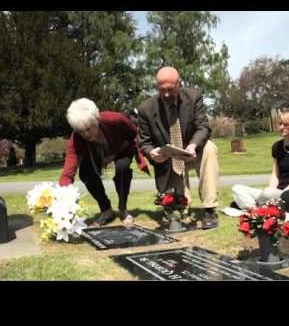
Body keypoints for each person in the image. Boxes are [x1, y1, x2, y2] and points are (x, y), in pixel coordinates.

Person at [137, 66, 220, 229]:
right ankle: (178, 205)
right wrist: (151, 153)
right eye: (162, 90)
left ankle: (209, 209)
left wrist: (193, 145)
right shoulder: (145, 109)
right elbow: (144, 142)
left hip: (193, 151)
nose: (166, 94)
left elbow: (203, 127)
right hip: (169, 159)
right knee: (179, 212)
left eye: (170, 89)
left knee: (210, 148)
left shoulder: (194, 96)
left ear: (179, 84)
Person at [59, 98, 149, 226]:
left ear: (97, 119)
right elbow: (69, 170)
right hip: (96, 154)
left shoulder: (116, 119)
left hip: (122, 149)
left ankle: (123, 209)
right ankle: (106, 210)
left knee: (122, 169)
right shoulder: (77, 138)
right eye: (81, 131)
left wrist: (142, 155)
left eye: (89, 129)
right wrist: (62, 193)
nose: (86, 134)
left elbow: (135, 133)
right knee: (85, 173)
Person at [231, 110, 289, 209]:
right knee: (237, 189)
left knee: (267, 193)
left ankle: (257, 206)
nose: (281, 127)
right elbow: (275, 174)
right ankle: (260, 208)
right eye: (280, 124)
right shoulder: (276, 146)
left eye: (286, 125)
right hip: (274, 192)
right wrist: (271, 190)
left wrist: (280, 194)